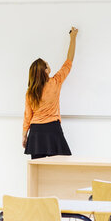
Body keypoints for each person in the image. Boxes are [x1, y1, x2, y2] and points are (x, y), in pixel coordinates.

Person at [23, 27, 78, 159]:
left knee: (39, 172)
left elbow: (27, 116)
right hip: (52, 129)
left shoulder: (30, 92)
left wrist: (24, 135)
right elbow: (68, 62)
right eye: (47, 65)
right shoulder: (55, 82)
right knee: (60, 167)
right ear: (46, 71)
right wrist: (73, 38)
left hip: (35, 132)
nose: (49, 65)